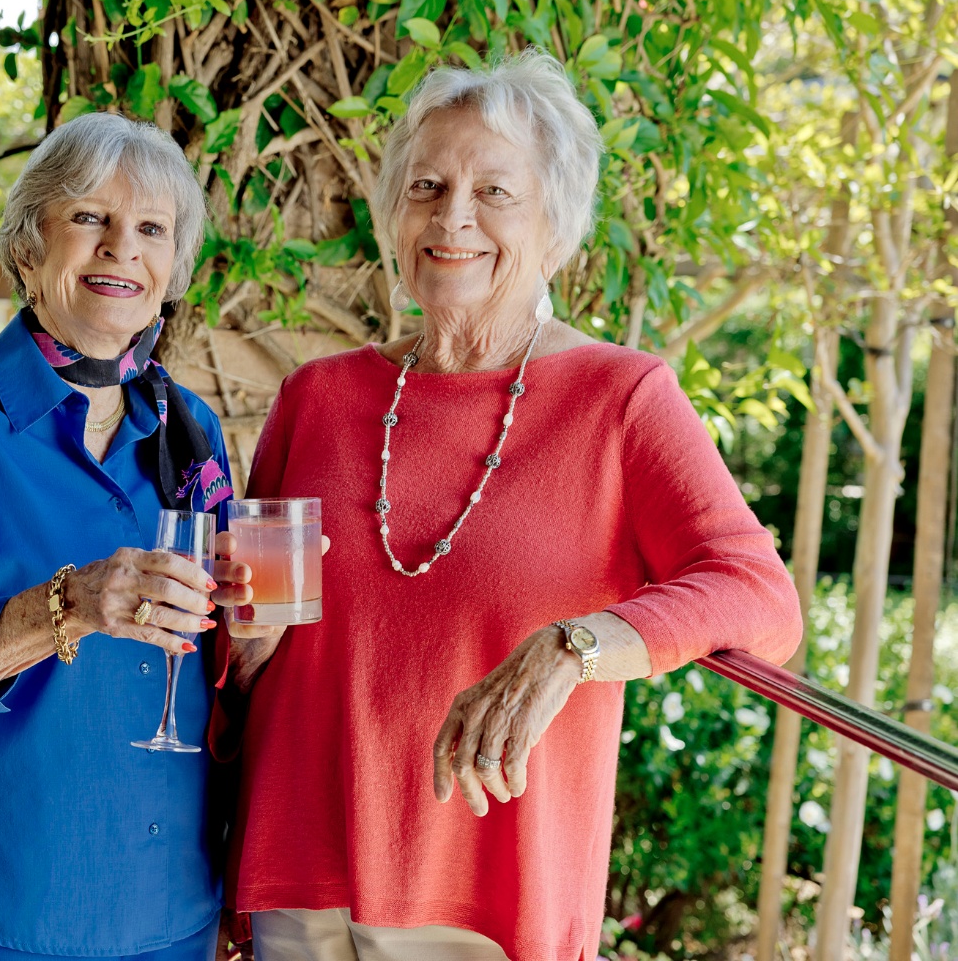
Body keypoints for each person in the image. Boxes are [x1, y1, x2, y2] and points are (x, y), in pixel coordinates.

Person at [219, 52, 803, 961]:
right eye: (428, 186)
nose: (454, 217)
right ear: (393, 215)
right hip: (298, 879)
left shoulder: (622, 398)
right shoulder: (317, 399)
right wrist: (236, 635)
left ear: (556, 227)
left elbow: (760, 596)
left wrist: (575, 647)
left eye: (495, 191)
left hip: (484, 891)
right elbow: (248, 642)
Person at [0, 112, 247, 961]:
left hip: (173, 899)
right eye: (89, 219)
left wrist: (259, 627)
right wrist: (71, 603)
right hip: (6, 897)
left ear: (172, 270)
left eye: (150, 229)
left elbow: (216, 666)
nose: (122, 248)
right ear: (30, 246)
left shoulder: (192, 431)